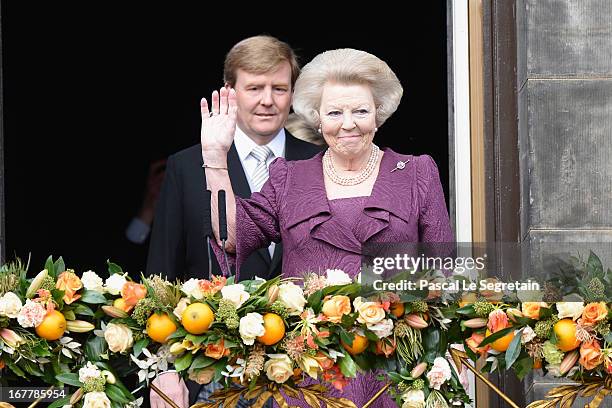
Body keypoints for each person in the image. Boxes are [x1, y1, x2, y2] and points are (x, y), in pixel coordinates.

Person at [201, 48, 453, 407]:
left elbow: (443, 270)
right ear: (317, 118)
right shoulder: (290, 178)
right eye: (334, 112)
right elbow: (231, 236)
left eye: (360, 111)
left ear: (378, 115)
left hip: (395, 369)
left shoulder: (416, 174)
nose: (347, 123)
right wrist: (215, 157)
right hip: (310, 371)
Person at [146, 35, 321, 407]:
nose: (267, 101)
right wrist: (162, 368)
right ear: (230, 91)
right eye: (254, 88)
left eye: (279, 88)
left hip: (308, 369)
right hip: (211, 366)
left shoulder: (320, 163)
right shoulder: (186, 167)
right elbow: (162, 272)